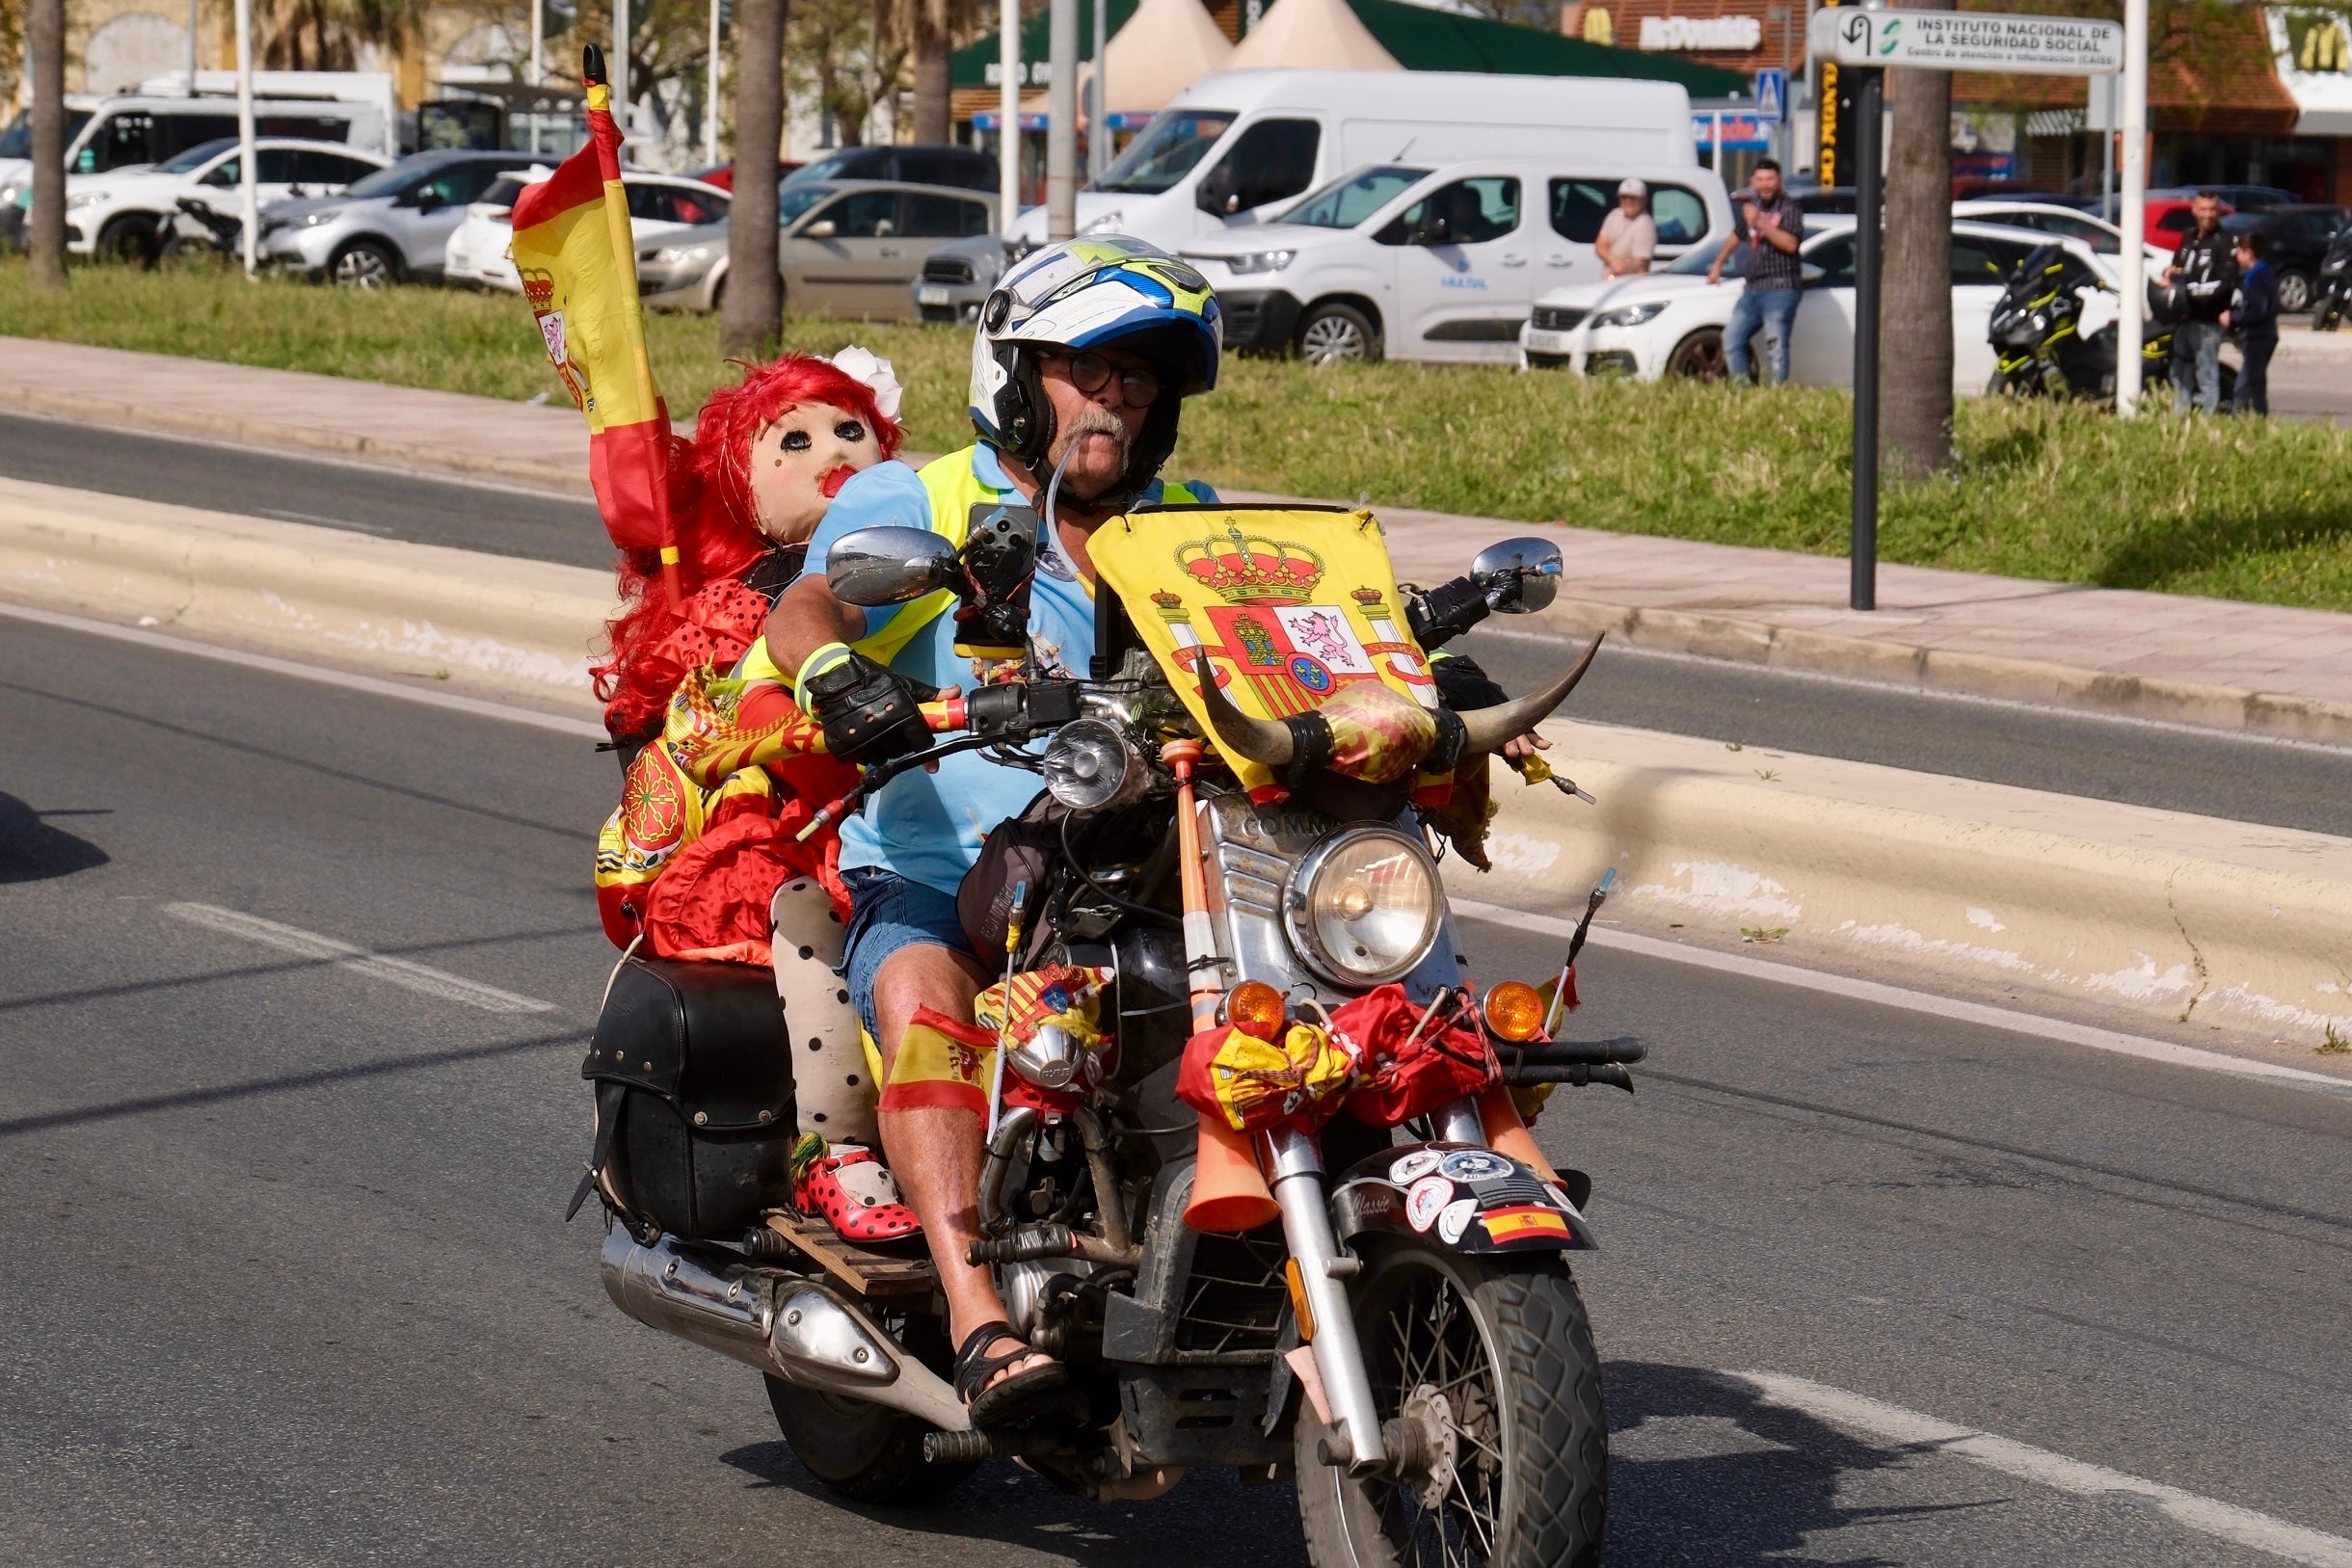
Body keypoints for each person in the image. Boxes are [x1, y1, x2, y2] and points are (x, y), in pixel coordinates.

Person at [751, 237, 1224, 1426]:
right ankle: (978, 1317)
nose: (1117, 395)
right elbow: (811, 601)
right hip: (943, 877)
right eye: (1088, 367)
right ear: (1017, 370)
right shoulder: (921, 497)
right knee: (923, 1002)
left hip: (1142, 869)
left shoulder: (1185, 519)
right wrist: (837, 677)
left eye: (1141, 376)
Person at [591, 350, 928, 1245]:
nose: (834, 453)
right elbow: (710, 716)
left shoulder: (915, 564)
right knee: (812, 922)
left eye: (852, 431)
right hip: (787, 822)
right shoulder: (751, 601)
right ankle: (839, 1151)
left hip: (913, 798)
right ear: (741, 483)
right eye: (798, 438)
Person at [1707, 158, 1804, 384]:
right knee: (1732, 338)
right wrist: (1718, 263)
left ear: (1779, 181)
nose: (1765, 185)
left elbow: (1791, 244)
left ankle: (1775, 397)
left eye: (1770, 179)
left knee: (1776, 345)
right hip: (1752, 289)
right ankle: (1743, 392)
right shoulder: (1751, 207)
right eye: (1760, 180)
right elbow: (1736, 236)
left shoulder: (1790, 208)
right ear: (1752, 181)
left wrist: (1761, 222)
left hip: (1780, 287)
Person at [2162, 191, 2236, 414]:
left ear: (2219, 211)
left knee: (2206, 374)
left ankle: (2208, 424)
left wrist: (2190, 291)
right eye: (2203, 209)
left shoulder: (2224, 241)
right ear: (2194, 210)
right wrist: (2168, 275)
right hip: (2183, 318)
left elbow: (2225, 284)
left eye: (2212, 210)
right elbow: (2175, 269)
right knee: (2179, 372)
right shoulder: (2188, 237)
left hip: (2207, 322)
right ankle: (2180, 418)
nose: (2207, 215)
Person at [2224, 228, 2278, 416]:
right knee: (2257, 384)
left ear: (2248, 252)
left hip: (2258, 336)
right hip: (2263, 335)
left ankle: (2238, 420)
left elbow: (2256, 308)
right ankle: (2260, 418)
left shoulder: (2255, 276)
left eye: (2239, 252)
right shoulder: (2264, 272)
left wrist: (2233, 317)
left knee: (2243, 386)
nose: (2237, 257)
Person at [1595, 177, 1658, 278]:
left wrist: (1620, 268)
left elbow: (1640, 263)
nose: (1628, 201)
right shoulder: (1614, 214)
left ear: (1644, 200)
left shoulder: (1645, 224)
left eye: (1633, 197)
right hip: (1609, 279)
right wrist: (1614, 260)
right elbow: (1600, 246)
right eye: (1624, 197)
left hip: (1631, 283)